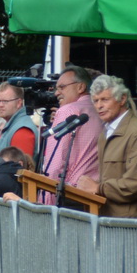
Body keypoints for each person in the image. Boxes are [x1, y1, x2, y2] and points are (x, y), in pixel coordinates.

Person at [77, 75, 137, 218]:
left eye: (105, 99)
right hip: (112, 218)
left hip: (132, 222)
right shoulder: (105, 133)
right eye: (95, 101)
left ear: (122, 99)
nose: (99, 106)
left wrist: (97, 187)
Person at [37, 65, 102, 199]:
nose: (56, 93)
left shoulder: (68, 110)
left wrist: (45, 200)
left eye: (62, 87)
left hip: (69, 194)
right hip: (95, 195)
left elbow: (55, 164)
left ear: (80, 87)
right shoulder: (100, 111)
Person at [0, 81, 40, 159]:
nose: (0, 105)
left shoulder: (22, 131)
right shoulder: (11, 125)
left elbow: (20, 165)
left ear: (19, 103)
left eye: (5, 101)